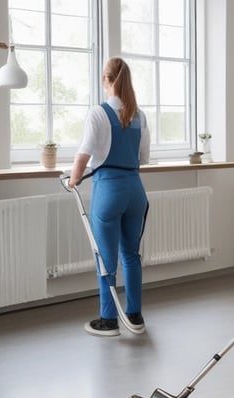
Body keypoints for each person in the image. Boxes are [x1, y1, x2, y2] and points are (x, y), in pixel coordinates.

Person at [69, 57, 150, 337]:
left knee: (105, 258)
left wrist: (73, 179)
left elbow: (84, 153)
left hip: (109, 192)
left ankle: (108, 320)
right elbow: (144, 158)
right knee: (131, 255)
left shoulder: (98, 112)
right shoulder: (139, 115)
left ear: (107, 80)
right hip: (136, 191)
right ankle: (135, 316)